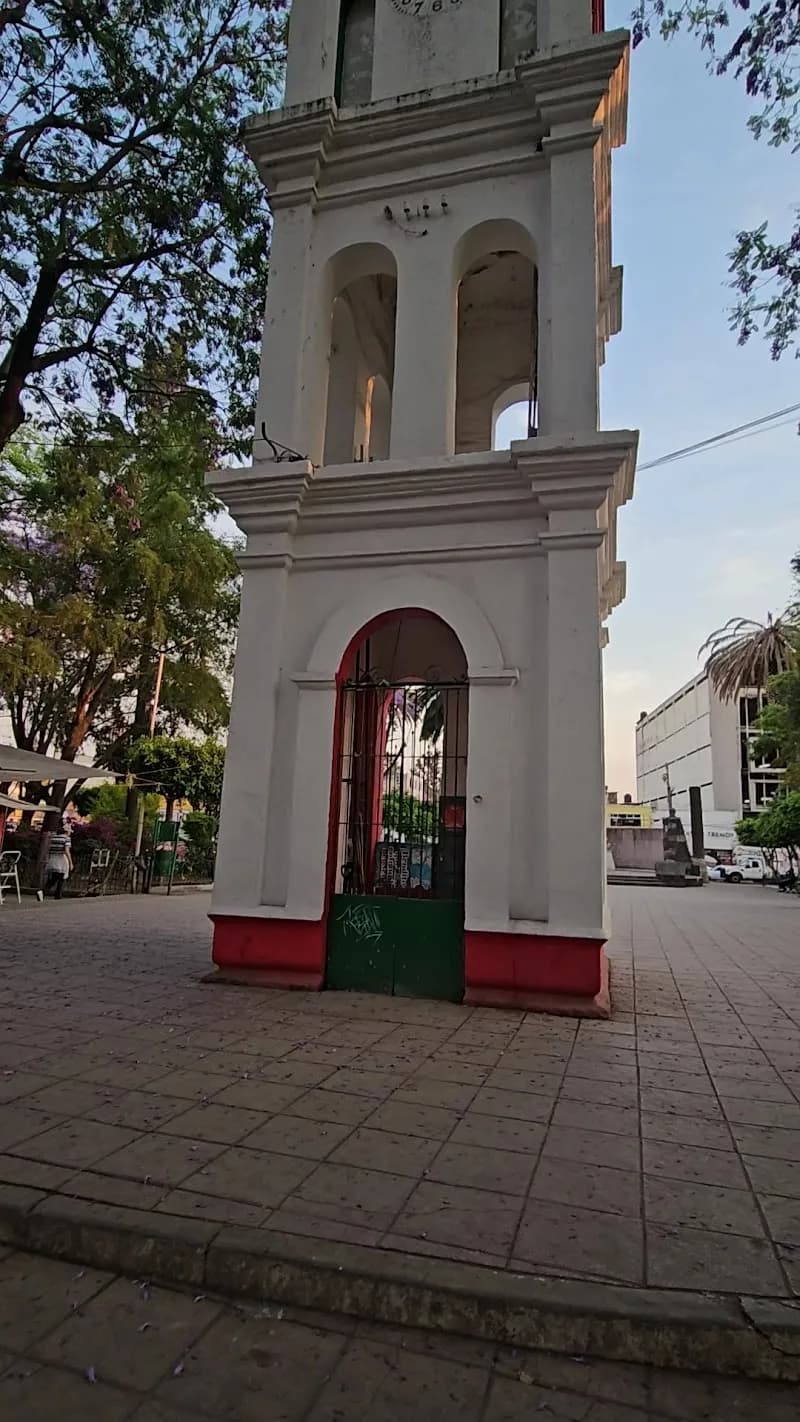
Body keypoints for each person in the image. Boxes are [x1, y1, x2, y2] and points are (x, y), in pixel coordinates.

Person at [45, 824, 73, 899]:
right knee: (62, 878)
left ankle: (43, 892)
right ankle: (58, 895)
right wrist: (71, 862)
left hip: (53, 858)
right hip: (61, 859)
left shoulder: (54, 838)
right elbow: (67, 851)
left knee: (53, 878)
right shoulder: (67, 839)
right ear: (67, 831)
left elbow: (49, 849)